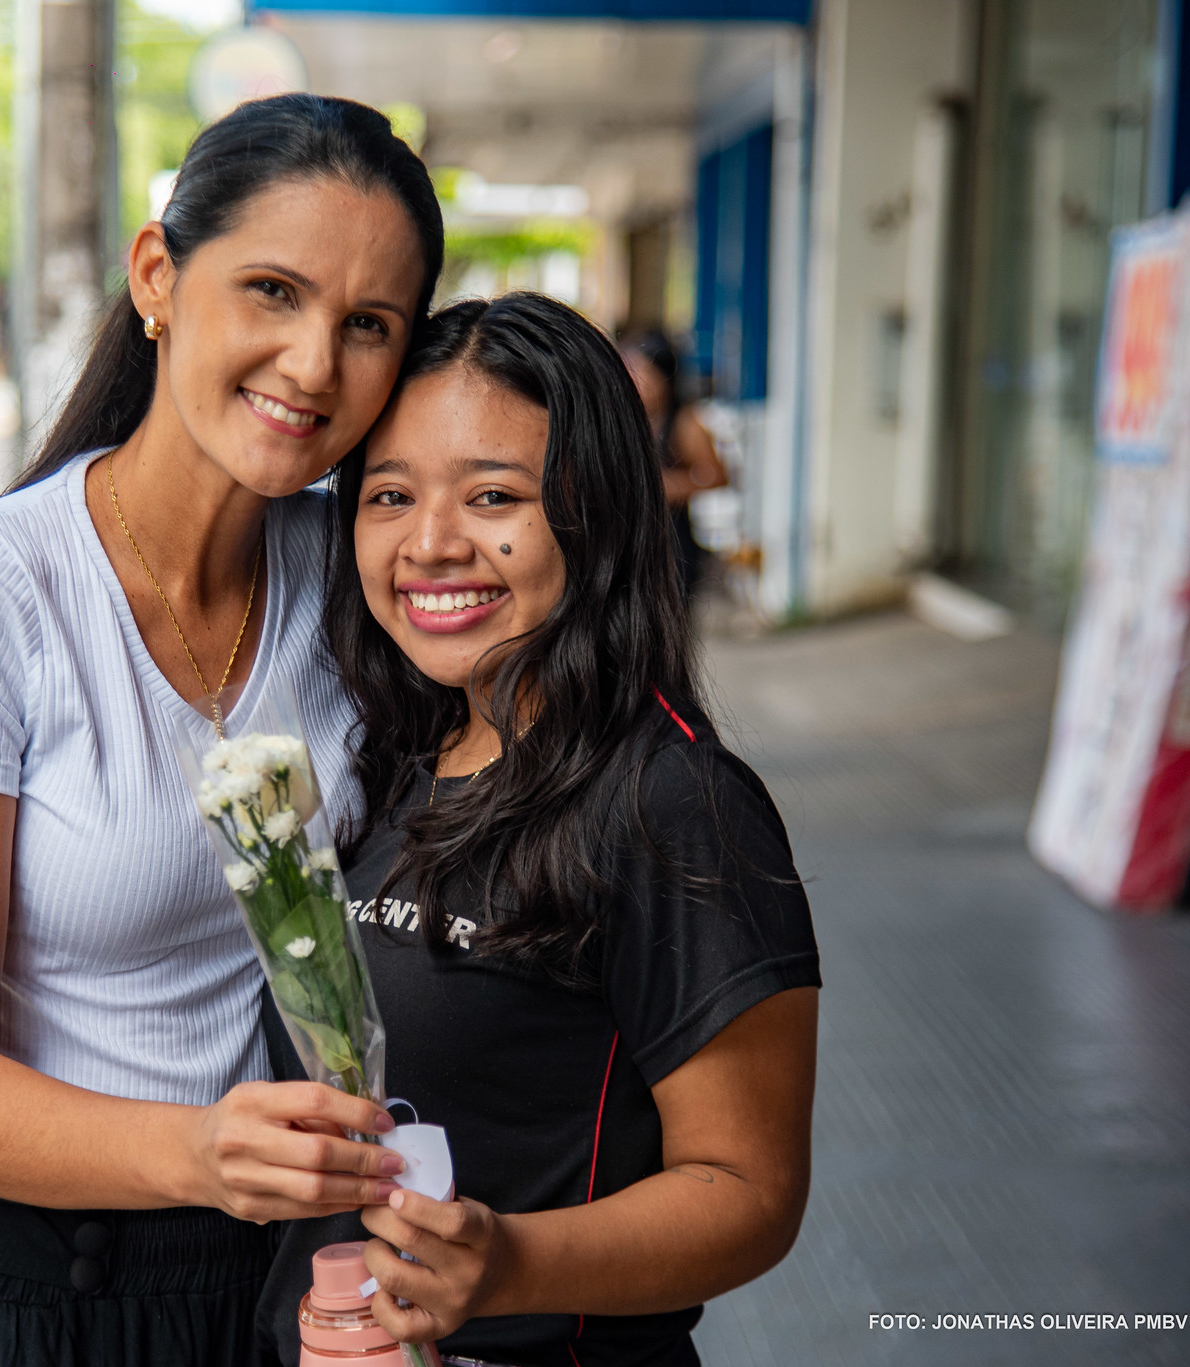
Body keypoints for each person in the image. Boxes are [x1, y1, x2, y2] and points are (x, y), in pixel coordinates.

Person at [0, 94, 445, 1367]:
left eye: (367, 324)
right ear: (157, 276)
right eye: (271, 290)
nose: (313, 363)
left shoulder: (350, 575)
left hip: (242, 1274)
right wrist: (200, 1150)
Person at [259, 294, 821, 1367]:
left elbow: (750, 1190)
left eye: (492, 495)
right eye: (388, 494)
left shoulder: (672, 800)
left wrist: (509, 1262)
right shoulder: (385, 762)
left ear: (594, 511)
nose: (431, 543)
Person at [618, 329, 728, 598]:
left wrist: (667, 486)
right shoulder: (632, 421)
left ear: (662, 376)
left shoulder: (685, 423)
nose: (632, 378)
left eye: (639, 371)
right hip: (634, 542)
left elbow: (717, 476)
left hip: (673, 546)